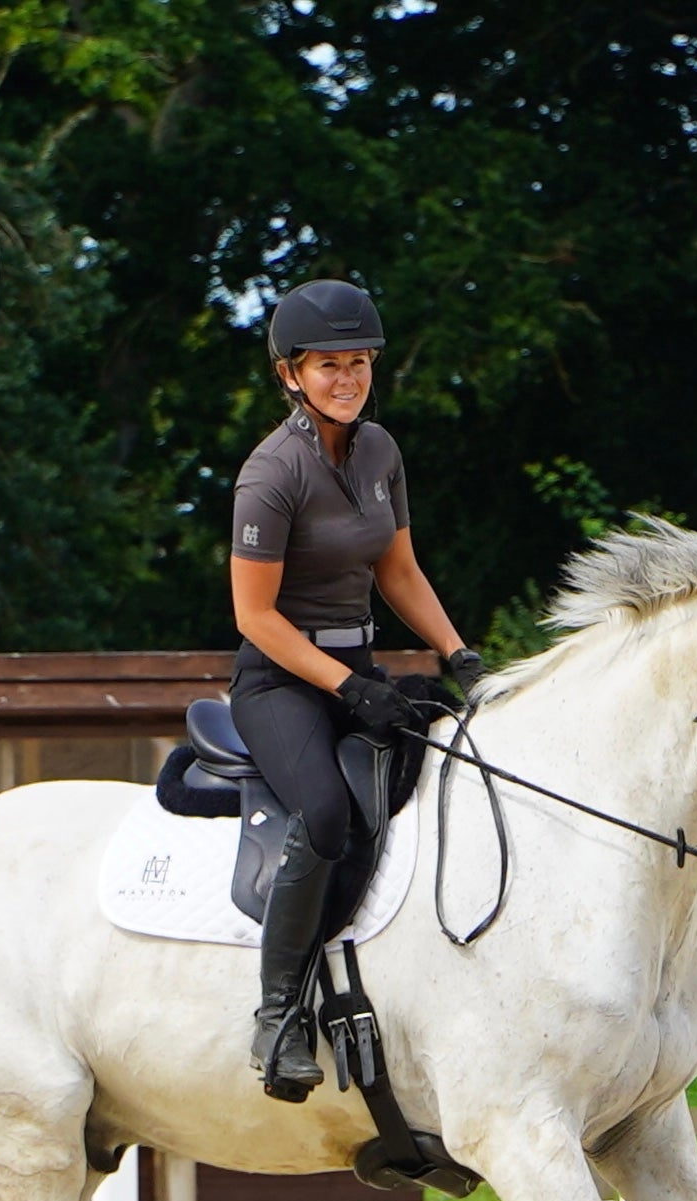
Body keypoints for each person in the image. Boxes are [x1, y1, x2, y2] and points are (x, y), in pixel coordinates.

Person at [228, 278, 484, 1099]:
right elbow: (255, 617)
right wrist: (348, 684)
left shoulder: (378, 451)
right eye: (328, 365)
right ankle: (277, 1017)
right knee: (327, 813)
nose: (347, 378)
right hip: (279, 681)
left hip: (358, 669)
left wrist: (456, 652)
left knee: (428, 779)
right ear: (290, 375)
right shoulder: (270, 473)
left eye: (359, 362)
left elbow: (397, 569)